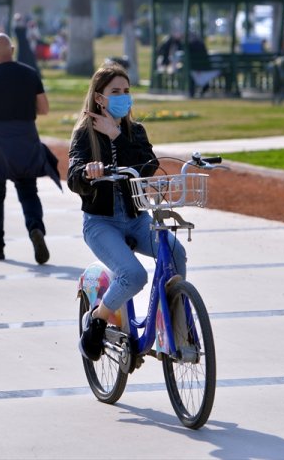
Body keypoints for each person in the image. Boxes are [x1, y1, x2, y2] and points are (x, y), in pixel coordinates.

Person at [68, 62, 187, 361]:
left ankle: (175, 324)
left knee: (176, 253)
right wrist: (87, 172)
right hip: (101, 223)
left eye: (126, 91)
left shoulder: (135, 131)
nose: (123, 97)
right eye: (115, 92)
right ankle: (97, 319)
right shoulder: (85, 134)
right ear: (99, 98)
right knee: (133, 275)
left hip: (136, 219)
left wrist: (116, 134)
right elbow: (73, 175)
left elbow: (148, 166)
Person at [0, 32, 58, 264]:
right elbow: (44, 109)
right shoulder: (30, 74)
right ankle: (35, 229)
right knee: (28, 190)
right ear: (11, 49)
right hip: (26, 139)